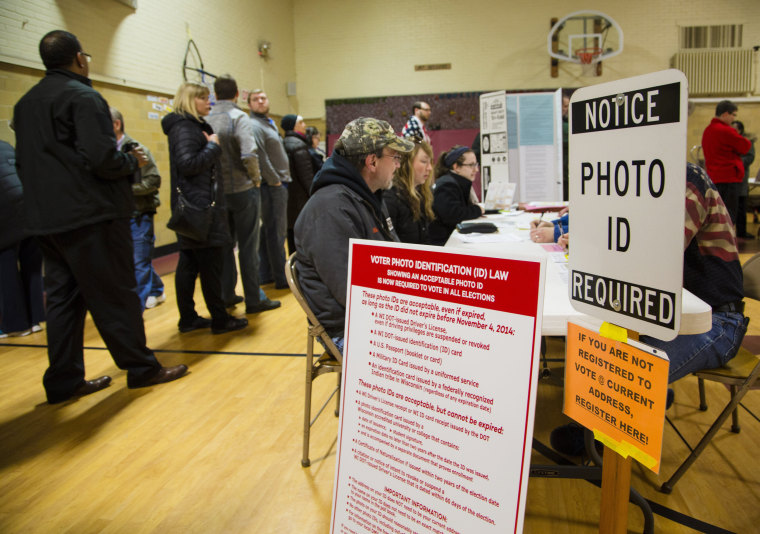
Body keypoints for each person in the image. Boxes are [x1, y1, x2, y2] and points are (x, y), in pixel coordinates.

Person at [13, 30, 187, 403]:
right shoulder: (83, 96)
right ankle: (142, 368)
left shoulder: (25, 104)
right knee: (116, 295)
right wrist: (131, 161)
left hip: (47, 221)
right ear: (79, 58)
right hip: (90, 216)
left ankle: (63, 381)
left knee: (62, 301)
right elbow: (102, 159)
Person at [552, 164, 748, 455]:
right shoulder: (653, 180)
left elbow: (656, 254)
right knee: (602, 345)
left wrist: (593, 248)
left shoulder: (687, 180)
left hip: (716, 322)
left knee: (623, 367)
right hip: (669, 314)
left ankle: (605, 430)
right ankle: (640, 404)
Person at [294, 117, 413, 353]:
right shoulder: (330, 209)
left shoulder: (366, 196)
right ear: (372, 162)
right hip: (348, 328)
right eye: (395, 157)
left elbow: (395, 256)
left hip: (371, 318)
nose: (398, 165)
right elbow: (351, 293)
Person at [162, 81, 248, 334]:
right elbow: (188, 164)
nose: (208, 101)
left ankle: (188, 318)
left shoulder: (187, 126)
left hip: (196, 206)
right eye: (202, 98)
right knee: (210, 266)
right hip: (200, 209)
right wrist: (213, 145)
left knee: (189, 264)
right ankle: (220, 319)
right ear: (190, 100)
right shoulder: (185, 129)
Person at [205, 76, 280, 314]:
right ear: (237, 94)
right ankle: (254, 298)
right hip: (243, 190)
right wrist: (257, 180)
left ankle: (227, 294)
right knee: (249, 247)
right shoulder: (239, 118)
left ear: (215, 95)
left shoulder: (206, 119)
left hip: (219, 193)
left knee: (226, 246)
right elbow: (249, 154)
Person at [110, 107, 165, 310]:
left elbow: (153, 180)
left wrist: (124, 190)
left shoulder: (137, 149)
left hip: (140, 213)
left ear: (116, 124)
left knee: (138, 262)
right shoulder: (104, 152)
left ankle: (136, 309)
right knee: (136, 260)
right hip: (118, 215)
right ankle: (157, 289)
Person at [0, 140, 45, 337]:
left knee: (5, 270)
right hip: (30, 211)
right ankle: (35, 319)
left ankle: (17, 325)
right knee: (32, 267)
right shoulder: (6, 146)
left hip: (6, 218)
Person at [247, 89, 291, 289]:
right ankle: (282, 279)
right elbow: (260, 156)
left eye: (263, 98)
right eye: (255, 99)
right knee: (276, 233)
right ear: (249, 105)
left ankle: (266, 275)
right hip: (272, 186)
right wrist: (274, 181)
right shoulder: (255, 125)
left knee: (270, 231)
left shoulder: (268, 123)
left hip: (276, 184)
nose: (261, 101)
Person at [701, 100, 751, 226]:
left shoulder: (708, 130)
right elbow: (745, 146)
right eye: (733, 115)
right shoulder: (726, 131)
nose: (734, 119)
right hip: (728, 178)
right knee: (728, 217)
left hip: (713, 178)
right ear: (725, 114)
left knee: (715, 215)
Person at [428, 145, 485, 245]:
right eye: (471, 165)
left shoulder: (456, 182)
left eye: (476, 164)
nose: (476, 170)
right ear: (456, 167)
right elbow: (454, 215)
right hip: (442, 244)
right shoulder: (447, 185)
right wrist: (478, 210)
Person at [384, 141, 435, 244]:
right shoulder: (390, 199)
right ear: (407, 163)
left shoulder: (422, 194)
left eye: (430, 162)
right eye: (424, 161)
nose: (429, 168)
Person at [281, 114, 316, 257]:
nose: (304, 125)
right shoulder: (298, 145)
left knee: (291, 234)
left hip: (289, 196)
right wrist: (314, 193)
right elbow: (306, 175)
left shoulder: (283, 142)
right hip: (300, 198)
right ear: (293, 126)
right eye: (301, 122)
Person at [731, 120, 756, 239]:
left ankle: (742, 231)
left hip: (741, 176)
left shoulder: (746, 142)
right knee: (730, 206)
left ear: (740, 130)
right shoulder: (729, 138)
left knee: (741, 207)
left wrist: (738, 162)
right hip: (730, 177)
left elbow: (750, 157)